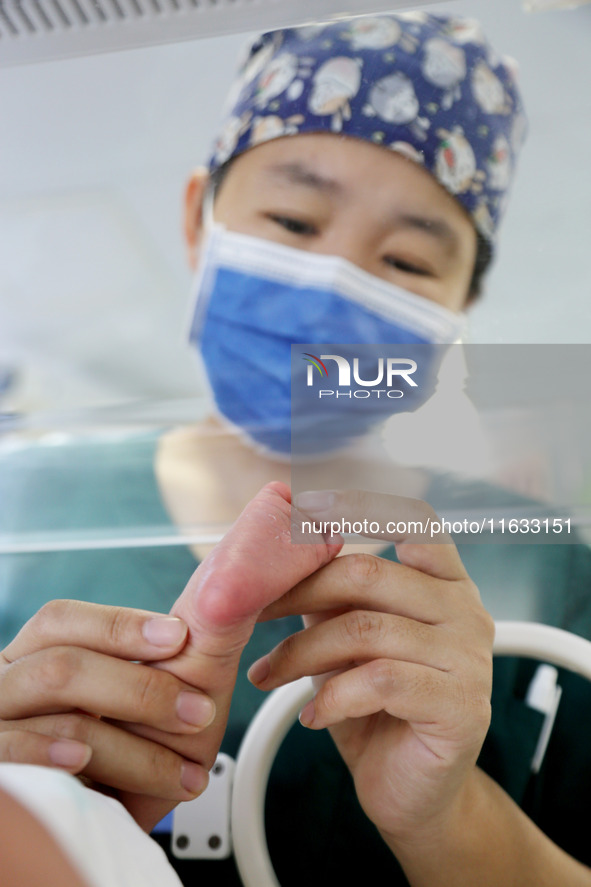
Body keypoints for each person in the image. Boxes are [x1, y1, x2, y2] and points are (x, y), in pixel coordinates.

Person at [2, 10, 591, 886]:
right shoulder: (28, 509)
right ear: (200, 219)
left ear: (454, 314)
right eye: (292, 217)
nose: (334, 287)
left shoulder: (547, 574)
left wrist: (449, 814)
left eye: (407, 262)